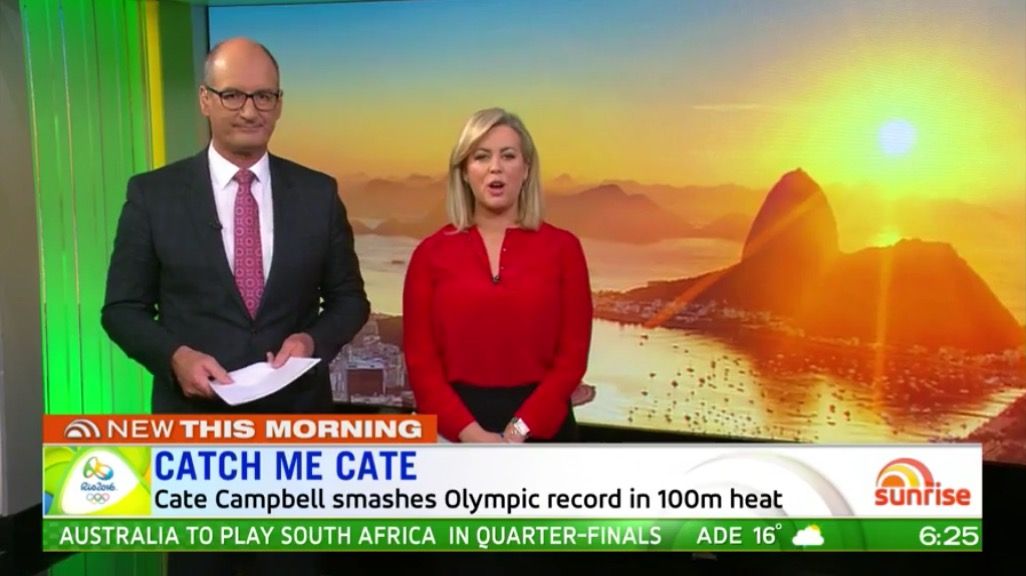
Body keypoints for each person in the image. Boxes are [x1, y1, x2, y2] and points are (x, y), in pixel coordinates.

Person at [101, 37, 369, 575]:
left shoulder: (318, 193)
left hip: (295, 438)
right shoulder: (153, 195)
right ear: (205, 99)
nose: (250, 110)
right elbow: (122, 308)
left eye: (264, 96)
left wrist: (310, 341)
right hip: (195, 438)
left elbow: (349, 300)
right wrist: (175, 357)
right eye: (233, 95)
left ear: (279, 104)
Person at [402, 107, 593, 444]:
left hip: (545, 434)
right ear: (464, 171)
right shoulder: (429, 255)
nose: (495, 167)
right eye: (481, 156)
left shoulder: (564, 249)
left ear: (526, 168)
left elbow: (572, 359)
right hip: (455, 434)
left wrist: (517, 432)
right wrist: (475, 437)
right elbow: (421, 366)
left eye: (508, 156)